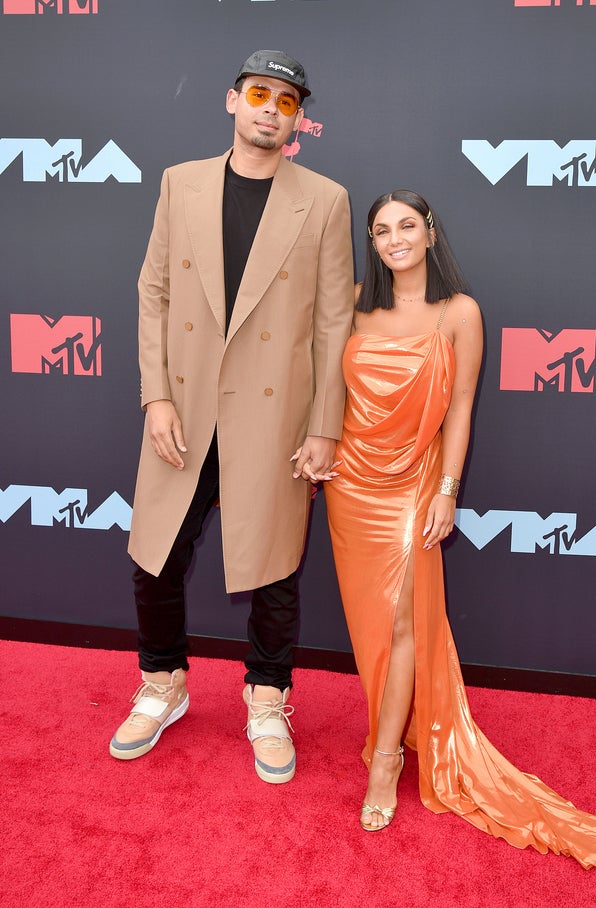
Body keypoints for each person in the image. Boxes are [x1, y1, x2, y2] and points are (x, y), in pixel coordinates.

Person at [324, 190, 596, 868]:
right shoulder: (354, 302)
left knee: (407, 626)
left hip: (413, 488)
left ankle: (384, 763)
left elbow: (461, 408)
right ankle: (394, 728)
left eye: (407, 226)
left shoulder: (460, 312)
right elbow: (324, 388)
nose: (394, 239)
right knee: (372, 630)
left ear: (431, 232)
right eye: (381, 231)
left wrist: (446, 492)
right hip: (348, 486)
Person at [110, 50, 354, 785]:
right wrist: (154, 396)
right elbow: (153, 292)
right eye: (257, 94)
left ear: (296, 117)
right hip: (183, 406)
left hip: (274, 415)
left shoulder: (327, 199)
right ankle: (163, 682)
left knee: (276, 569)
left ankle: (268, 697)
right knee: (153, 555)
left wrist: (324, 427)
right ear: (230, 101)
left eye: (284, 101)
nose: (268, 110)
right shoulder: (179, 183)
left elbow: (335, 323)